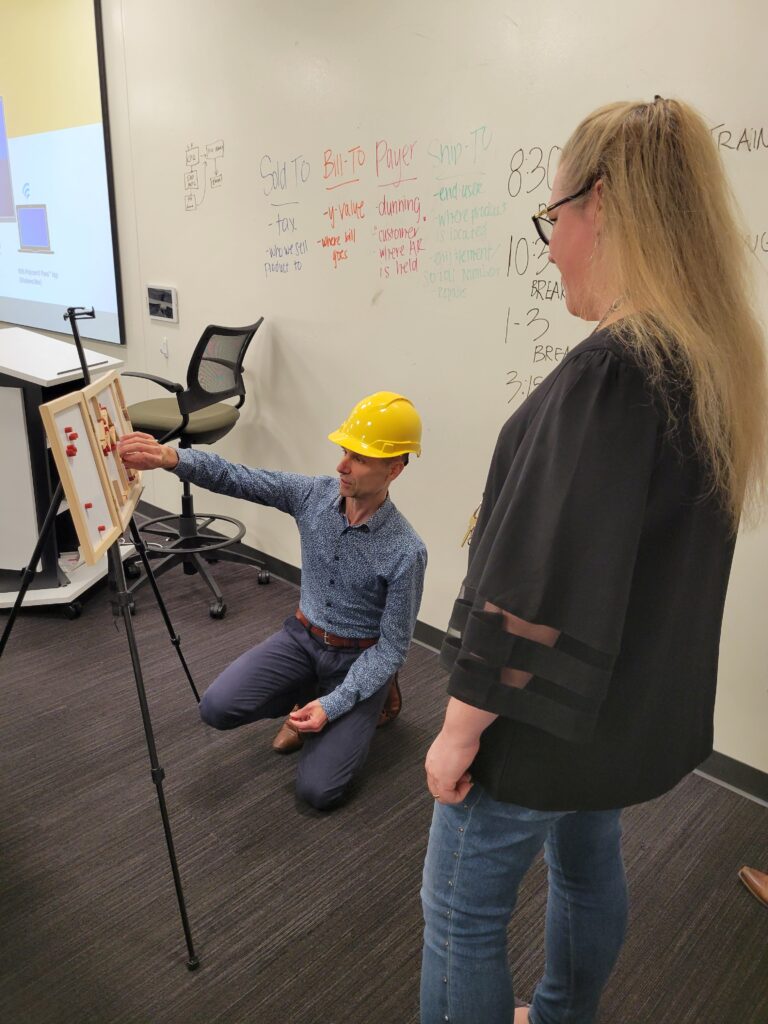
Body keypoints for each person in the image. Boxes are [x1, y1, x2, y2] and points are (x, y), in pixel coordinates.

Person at [420, 97, 768, 1024]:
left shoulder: (613, 370)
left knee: (458, 911)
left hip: (538, 721)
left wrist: (459, 731)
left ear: (601, 206)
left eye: (553, 218)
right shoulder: (712, 360)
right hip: (618, 714)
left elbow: (541, 585)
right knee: (586, 866)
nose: (550, 245)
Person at [118, 391, 427, 811]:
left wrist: (334, 704)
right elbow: (239, 477)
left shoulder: (406, 550)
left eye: (359, 458)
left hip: (357, 659)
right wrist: (172, 459)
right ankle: (309, 698)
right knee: (217, 708)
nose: (342, 465)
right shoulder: (313, 496)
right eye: (343, 451)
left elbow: (393, 647)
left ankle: (363, 698)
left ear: (394, 469)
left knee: (318, 792)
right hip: (302, 638)